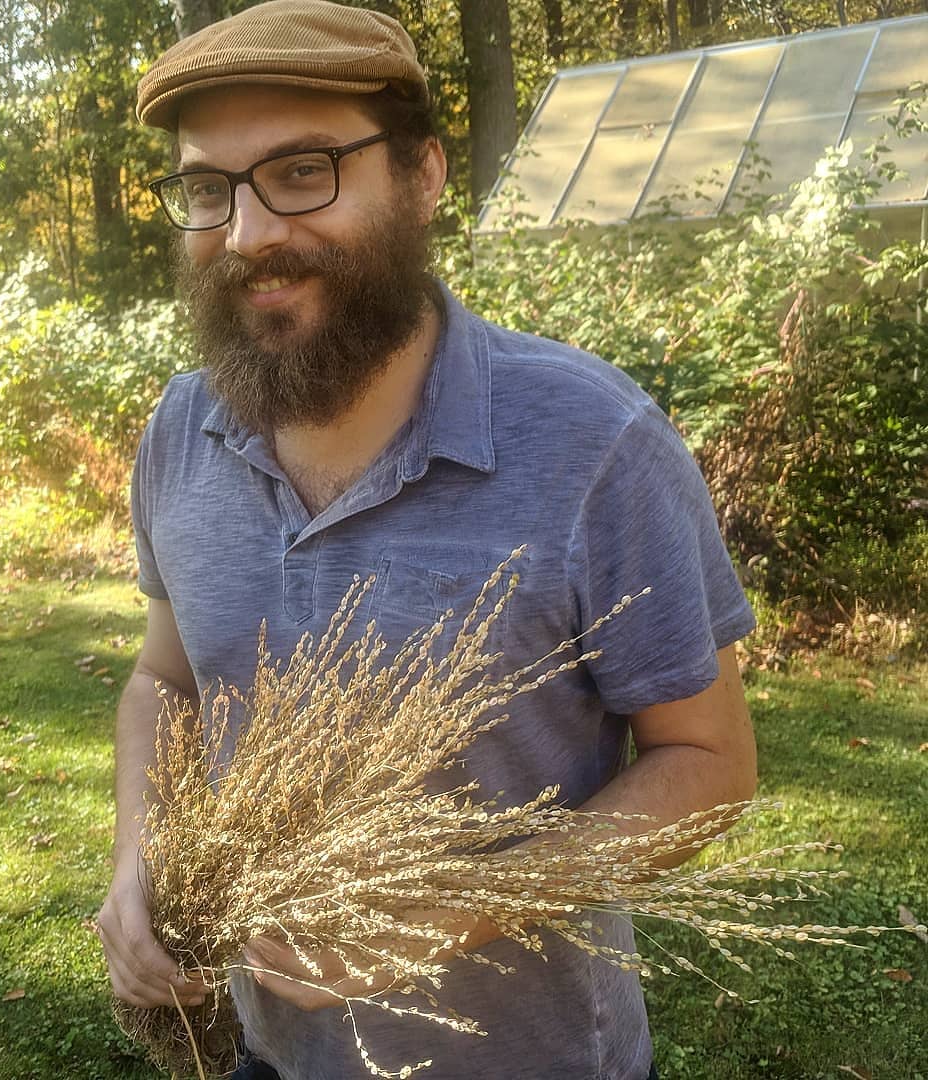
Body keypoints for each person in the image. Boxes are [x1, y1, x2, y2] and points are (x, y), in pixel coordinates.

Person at [96, 2, 758, 1078]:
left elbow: (711, 760)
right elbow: (164, 680)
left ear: (424, 176)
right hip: (273, 1054)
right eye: (209, 188)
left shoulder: (598, 443)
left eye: (304, 169)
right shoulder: (183, 427)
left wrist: (452, 911)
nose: (252, 232)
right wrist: (143, 852)